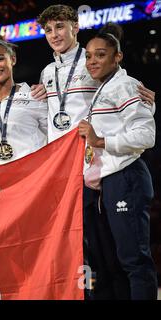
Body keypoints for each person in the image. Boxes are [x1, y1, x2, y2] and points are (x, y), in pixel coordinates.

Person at [78, 23, 157, 300]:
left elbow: (146, 135)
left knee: (134, 260)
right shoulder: (104, 88)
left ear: (117, 57)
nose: (92, 61)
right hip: (109, 182)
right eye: (88, 56)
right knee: (115, 262)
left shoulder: (125, 85)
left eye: (100, 55)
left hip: (127, 177)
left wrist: (100, 141)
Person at [36, 4, 155, 143]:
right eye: (48, 30)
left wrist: (148, 104)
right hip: (59, 153)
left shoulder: (94, 62)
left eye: (60, 27)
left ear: (75, 28)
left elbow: (125, 92)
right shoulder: (47, 72)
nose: (54, 35)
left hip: (90, 151)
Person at [0, 36, 47, 169]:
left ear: (13, 59)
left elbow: (54, 140)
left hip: (25, 180)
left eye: (0, 59)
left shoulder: (35, 96)